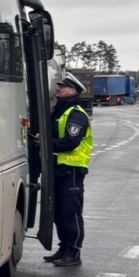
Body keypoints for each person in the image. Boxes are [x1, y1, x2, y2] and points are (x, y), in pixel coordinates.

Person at [42, 72, 93, 267]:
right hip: (57, 169)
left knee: (70, 212)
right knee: (58, 212)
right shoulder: (60, 111)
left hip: (71, 171)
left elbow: (70, 142)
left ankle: (73, 252)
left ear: (72, 91)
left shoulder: (76, 114)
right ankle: (64, 248)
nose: (58, 89)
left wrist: (46, 143)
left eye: (62, 87)